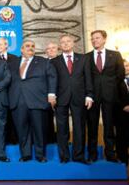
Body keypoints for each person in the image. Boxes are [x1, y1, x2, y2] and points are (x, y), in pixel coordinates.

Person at [7, 40, 57, 163]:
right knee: (22, 129)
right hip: (18, 100)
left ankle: (40, 155)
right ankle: (25, 155)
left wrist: (51, 94)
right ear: (21, 49)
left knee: (39, 129)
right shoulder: (12, 63)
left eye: (33, 46)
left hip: (38, 100)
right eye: (27, 46)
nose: (30, 48)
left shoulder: (43, 62)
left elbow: (52, 77)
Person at [51, 34, 93, 164]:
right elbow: (53, 80)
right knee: (62, 129)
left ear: (73, 43)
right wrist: (52, 95)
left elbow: (88, 78)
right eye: (62, 42)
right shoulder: (54, 61)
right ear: (60, 45)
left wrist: (89, 95)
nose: (65, 44)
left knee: (79, 127)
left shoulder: (84, 59)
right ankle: (64, 156)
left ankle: (78, 156)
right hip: (61, 98)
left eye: (68, 41)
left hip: (79, 98)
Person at [86, 30, 125, 163]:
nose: (94, 40)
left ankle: (110, 153)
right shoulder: (87, 57)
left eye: (97, 38)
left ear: (104, 39)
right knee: (92, 126)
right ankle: (92, 154)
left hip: (110, 96)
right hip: (92, 97)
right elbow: (85, 77)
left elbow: (120, 75)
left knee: (109, 126)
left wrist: (111, 89)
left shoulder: (115, 55)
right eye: (92, 38)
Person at [0, 38, 19, 145]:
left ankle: (13, 139)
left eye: (0, 44)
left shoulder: (15, 58)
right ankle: (1, 141)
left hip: (13, 92)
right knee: (0, 120)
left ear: (6, 45)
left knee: (13, 117)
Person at [44, 41, 59, 144]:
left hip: (62, 94)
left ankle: (63, 140)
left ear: (57, 50)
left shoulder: (63, 61)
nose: (51, 50)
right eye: (49, 48)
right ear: (46, 51)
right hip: (47, 95)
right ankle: (50, 139)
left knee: (62, 119)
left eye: (53, 48)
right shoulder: (43, 63)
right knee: (48, 118)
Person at [117, 60, 129, 165]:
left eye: (127, 66)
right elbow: (114, 96)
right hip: (121, 113)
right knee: (122, 137)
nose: (126, 68)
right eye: (123, 66)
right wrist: (123, 106)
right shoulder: (116, 82)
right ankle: (123, 159)